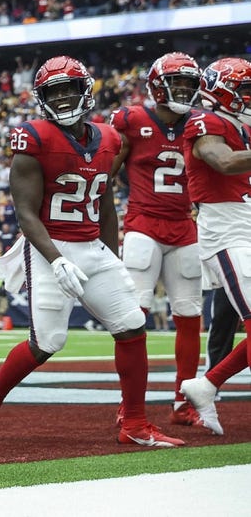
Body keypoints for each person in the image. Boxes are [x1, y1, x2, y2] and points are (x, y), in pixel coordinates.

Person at [0, 56, 183, 447]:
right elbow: (26, 214)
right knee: (47, 342)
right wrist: (57, 259)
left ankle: (134, 422)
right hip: (49, 246)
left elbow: (105, 203)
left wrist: (113, 252)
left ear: (86, 91)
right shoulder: (33, 137)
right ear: (41, 98)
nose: (64, 97)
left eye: (69, 89)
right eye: (55, 91)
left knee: (132, 324)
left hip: (92, 246)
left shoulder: (110, 138)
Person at [109, 52, 205, 427]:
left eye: (188, 84)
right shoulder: (132, 120)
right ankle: (129, 404)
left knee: (189, 316)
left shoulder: (200, 123)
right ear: (156, 86)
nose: (183, 90)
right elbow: (107, 169)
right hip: (144, 224)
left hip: (184, 225)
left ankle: (184, 400)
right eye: (176, 83)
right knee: (134, 317)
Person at [178, 57, 251, 436]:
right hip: (228, 233)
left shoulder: (241, 125)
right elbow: (221, 161)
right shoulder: (205, 122)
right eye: (245, 90)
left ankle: (206, 384)